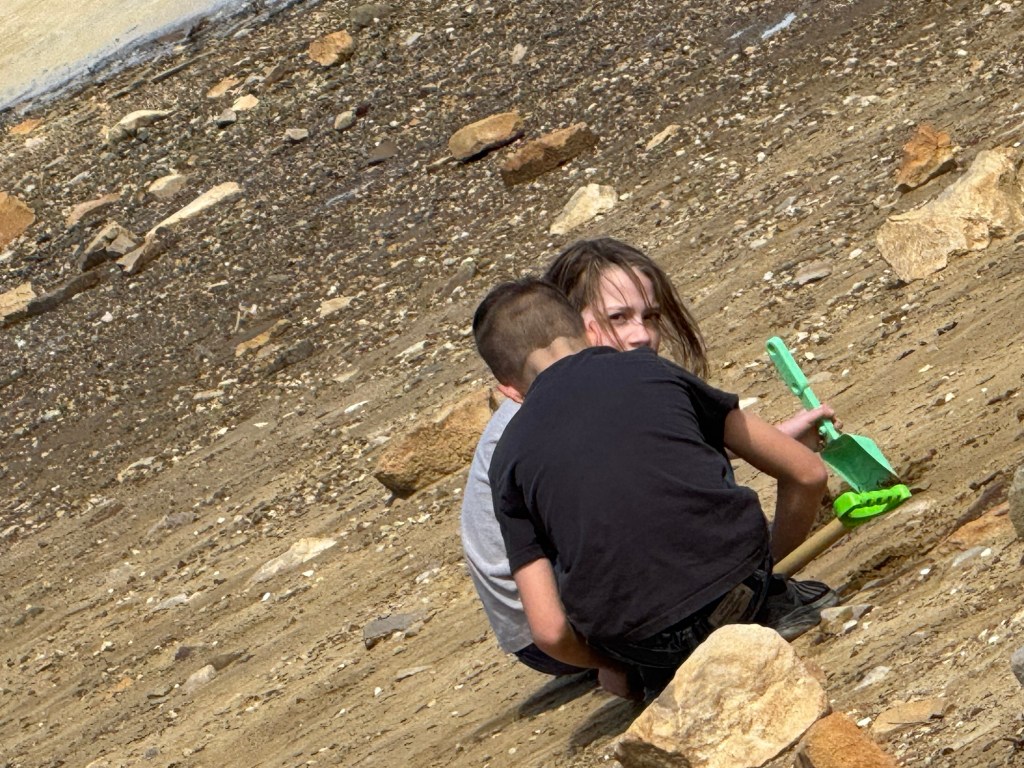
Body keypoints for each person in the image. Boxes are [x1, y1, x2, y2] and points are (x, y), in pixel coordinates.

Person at [459, 238, 835, 679]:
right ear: (587, 329)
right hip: (560, 628)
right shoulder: (640, 376)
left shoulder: (522, 439)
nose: (641, 335)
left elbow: (625, 469)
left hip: (631, 637)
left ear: (506, 385)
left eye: (651, 316)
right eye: (618, 318)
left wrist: (772, 437)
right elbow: (805, 473)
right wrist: (764, 574)